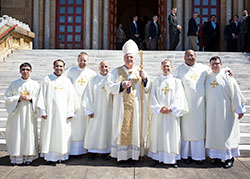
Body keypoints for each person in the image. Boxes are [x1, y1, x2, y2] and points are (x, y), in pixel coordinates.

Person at [105, 39, 151, 162]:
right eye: (127, 57)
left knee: (135, 129)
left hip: (136, 107)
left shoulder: (140, 72)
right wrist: (120, 86)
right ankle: (122, 156)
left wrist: (145, 79)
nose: (129, 60)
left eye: (131, 57)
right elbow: (108, 86)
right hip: (121, 108)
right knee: (121, 128)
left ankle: (134, 156)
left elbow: (148, 88)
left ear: (135, 59)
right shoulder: (116, 72)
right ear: (123, 58)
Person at [205, 56, 246, 169]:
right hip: (212, 113)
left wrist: (239, 109)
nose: (215, 66)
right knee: (215, 135)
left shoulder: (227, 77)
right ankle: (216, 157)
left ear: (221, 64)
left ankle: (229, 158)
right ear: (210, 66)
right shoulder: (208, 77)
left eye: (217, 63)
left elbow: (235, 93)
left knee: (227, 136)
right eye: (213, 64)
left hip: (226, 112)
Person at [148, 59, 189, 168]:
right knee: (158, 136)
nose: (166, 68)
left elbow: (179, 97)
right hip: (159, 114)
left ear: (172, 67)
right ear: (161, 68)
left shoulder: (177, 82)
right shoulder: (156, 81)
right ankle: (157, 158)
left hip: (171, 115)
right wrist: (160, 108)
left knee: (171, 137)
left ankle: (172, 159)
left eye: (168, 66)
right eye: (164, 66)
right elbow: (152, 96)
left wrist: (171, 109)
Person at [174, 50, 210, 164]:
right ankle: (185, 155)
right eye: (188, 56)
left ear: (196, 56)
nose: (190, 57)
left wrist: (227, 72)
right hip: (185, 105)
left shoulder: (203, 68)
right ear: (184, 57)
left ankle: (198, 156)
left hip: (199, 106)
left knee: (198, 131)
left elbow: (215, 74)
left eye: (192, 55)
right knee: (186, 131)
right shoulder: (179, 70)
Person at [37, 59, 77, 163]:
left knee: (62, 133)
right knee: (49, 133)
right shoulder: (47, 79)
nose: (59, 68)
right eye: (57, 66)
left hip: (63, 114)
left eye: (61, 66)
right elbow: (41, 95)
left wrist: (70, 111)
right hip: (49, 113)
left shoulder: (67, 81)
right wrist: (42, 110)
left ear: (64, 68)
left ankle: (61, 156)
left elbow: (71, 97)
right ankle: (49, 156)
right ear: (53, 67)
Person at [5, 63, 40, 165]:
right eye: (23, 69)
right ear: (20, 71)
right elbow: (7, 98)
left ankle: (29, 156)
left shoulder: (35, 85)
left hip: (29, 114)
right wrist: (18, 98)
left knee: (28, 134)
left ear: (31, 71)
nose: (25, 71)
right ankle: (17, 157)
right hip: (17, 115)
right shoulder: (14, 84)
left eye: (27, 69)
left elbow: (40, 99)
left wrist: (31, 99)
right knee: (17, 134)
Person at [65, 52, 96, 156]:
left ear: (88, 61)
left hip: (86, 104)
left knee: (86, 127)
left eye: (85, 60)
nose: (83, 62)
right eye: (81, 60)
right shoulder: (71, 71)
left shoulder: (92, 73)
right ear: (77, 60)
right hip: (74, 104)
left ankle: (85, 148)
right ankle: (74, 150)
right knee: (74, 127)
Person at [82, 61, 112, 160]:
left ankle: (106, 151)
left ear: (109, 68)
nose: (104, 68)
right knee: (94, 130)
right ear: (99, 68)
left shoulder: (112, 79)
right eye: (102, 66)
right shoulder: (93, 80)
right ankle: (92, 150)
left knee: (107, 130)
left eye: (106, 66)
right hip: (96, 110)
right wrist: (89, 110)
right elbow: (87, 95)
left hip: (109, 111)